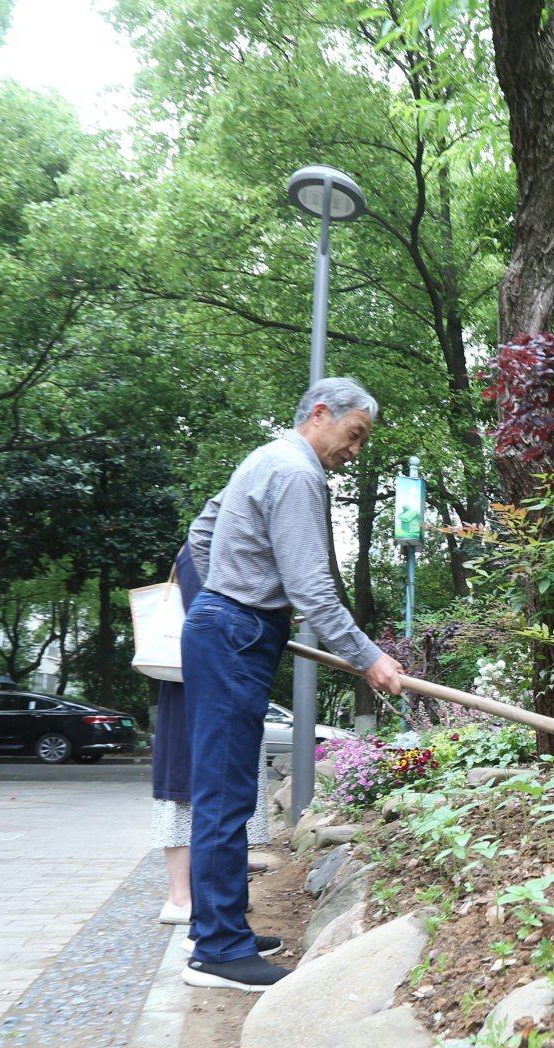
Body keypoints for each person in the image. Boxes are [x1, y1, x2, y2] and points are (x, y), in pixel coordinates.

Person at [180, 377, 402, 990]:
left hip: (227, 629)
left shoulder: (264, 457)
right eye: (354, 434)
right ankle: (218, 951)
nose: (355, 450)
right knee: (225, 794)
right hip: (236, 636)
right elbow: (312, 589)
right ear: (321, 413)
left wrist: (223, 596)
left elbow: (201, 535)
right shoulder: (298, 472)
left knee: (225, 787)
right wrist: (369, 658)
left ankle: (220, 925)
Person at [149, 543, 280, 962]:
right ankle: (193, 911)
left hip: (207, 680)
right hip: (204, 685)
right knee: (201, 794)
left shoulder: (211, 550)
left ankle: (212, 921)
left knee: (215, 795)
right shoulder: (203, 553)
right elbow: (216, 613)